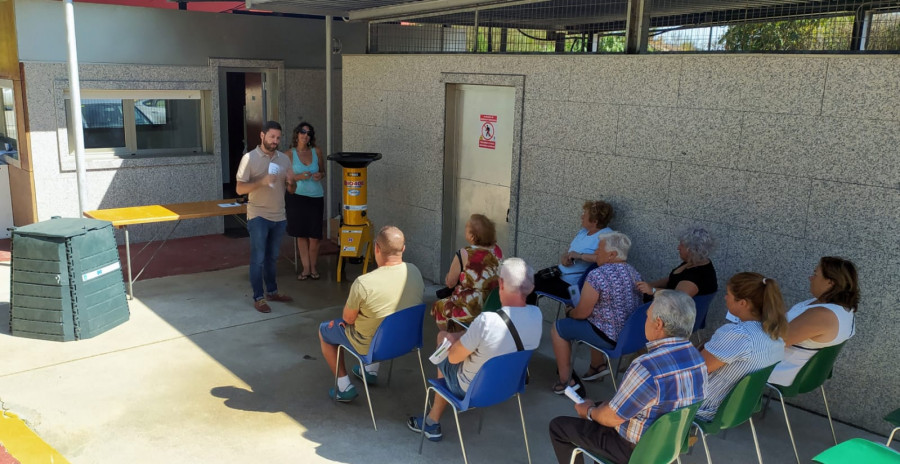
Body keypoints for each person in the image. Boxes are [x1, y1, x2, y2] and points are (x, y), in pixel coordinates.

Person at [549, 290, 707, 464]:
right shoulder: (698, 359)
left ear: (658, 324)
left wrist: (588, 411)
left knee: (559, 427)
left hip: (634, 450)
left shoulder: (647, 366)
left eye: (647, 317)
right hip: (667, 446)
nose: (645, 322)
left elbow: (612, 418)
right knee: (602, 407)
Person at [408, 257, 542, 442]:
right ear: (530, 287)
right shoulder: (537, 315)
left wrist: (451, 340)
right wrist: (463, 336)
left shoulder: (487, 320)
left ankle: (432, 420)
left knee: (442, 338)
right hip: (508, 386)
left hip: (472, 389)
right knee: (460, 341)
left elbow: (454, 359)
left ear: (501, 284)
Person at [318, 226, 424, 401]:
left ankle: (344, 387)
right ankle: (369, 371)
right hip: (406, 340)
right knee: (384, 317)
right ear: (403, 249)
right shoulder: (414, 271)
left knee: (325, 331)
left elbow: (348, 319)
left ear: (376, 248)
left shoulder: (363, 283)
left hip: (372, 347)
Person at [550, 232, 643, 393]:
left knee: (558, 328)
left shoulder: (598, 275)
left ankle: (566, 381)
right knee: (595, 317)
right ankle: (597, 366)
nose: (596, 254)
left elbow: (582, 313)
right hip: (628, 337)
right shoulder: (634, 273)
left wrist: (571, 313)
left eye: (599, 251)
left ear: (612, 255)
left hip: (608, 337)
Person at [696, 272, 786, 421]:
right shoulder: (776, 337)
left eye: (728, 294)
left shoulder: (739, 334)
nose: (725, 297)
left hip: (705, 406)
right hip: (737, 408)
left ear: (743, 303)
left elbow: (695, 371)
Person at [768, 257, 859, 386]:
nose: (811, 278)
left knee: (730, 359)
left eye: (815, 274)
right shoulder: (845, 310)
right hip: (800, 371)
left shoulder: (822, 315)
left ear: (830, 282)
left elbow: (773, 344)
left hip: (777, 370)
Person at [235, 121, 294, 313]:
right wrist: (262, 181)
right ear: (262, 136)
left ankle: (272, 292)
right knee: (258, 258)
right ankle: (258, 297)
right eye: (272, 137)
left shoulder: (284, 159)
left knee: (272, 258)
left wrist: (292, 183)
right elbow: (239, 188)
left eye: (278, 138)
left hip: (279, 215)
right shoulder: (249, 158)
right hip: (258, 214)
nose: (275, 141)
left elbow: (291, 190)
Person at [528, 201, 614, 305]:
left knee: (529, 286)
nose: (581, 217)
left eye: (584, 215)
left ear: (595, 221)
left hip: (571, 285)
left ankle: (528, 318)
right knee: (528, 281)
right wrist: (564, 257)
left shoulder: (607, 235)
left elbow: (606, 259)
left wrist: (580, 256)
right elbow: (569, 250)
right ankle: (526, 316)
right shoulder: (583, 232)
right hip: (558, 274)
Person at [432, 214, 502, 331]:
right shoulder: (497, 250)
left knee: (438, 306)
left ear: (473, 236)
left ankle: (449, 339)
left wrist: (448, 277)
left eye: (466, 228)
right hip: (492, 304)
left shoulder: (464, 253)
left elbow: (451, 283)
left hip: (471, 306)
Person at [284, 122, 326, 280]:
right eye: (302, 132)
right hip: (297, 197)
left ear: (311, 137)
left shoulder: (317, 151)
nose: (305, 135)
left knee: (315, 236)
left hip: (315, 197)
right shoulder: (289, 154)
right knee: (301, 235)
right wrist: (299, 177)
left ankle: (314, 267)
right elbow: (284, 177)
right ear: (297, 134)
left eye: (309, 133)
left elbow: (323, 171)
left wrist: (320, 175)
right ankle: (306, 268)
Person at [636, 227, 718, 299]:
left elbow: (678, 297)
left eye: (682, 245)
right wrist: (650, 285)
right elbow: (673, 279)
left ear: (693, 250)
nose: (678, 248)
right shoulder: (695, 262)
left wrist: (652, 290)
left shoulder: (698, 276)